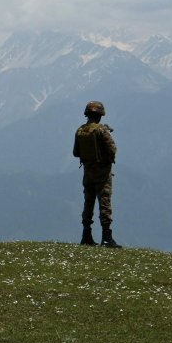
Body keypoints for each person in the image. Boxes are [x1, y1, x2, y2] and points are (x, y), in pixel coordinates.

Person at [73, 100, 120, 247]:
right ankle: (106, 238)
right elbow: (112, 150)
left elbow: (76, 153)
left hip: (88, 173)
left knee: (88, 203)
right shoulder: (101, 131)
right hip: (102, 174)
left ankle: (86, 235)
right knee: (104, 203)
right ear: (100, 115)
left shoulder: (80, 130)